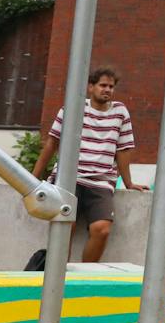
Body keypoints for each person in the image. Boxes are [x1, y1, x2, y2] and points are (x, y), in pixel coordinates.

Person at [30, 68, 135, 264]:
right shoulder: (73, 107)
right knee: (64, 225)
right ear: (91, 87)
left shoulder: (120, 112)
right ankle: (59, 275)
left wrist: (129, 183)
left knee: (102, 229)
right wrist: (32, 178)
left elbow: (123, 149)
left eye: (111, 87)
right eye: (103, 85)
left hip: (101, 182)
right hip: (69, 178)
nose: (107, 90)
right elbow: (52, 142)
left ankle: (84, 277)